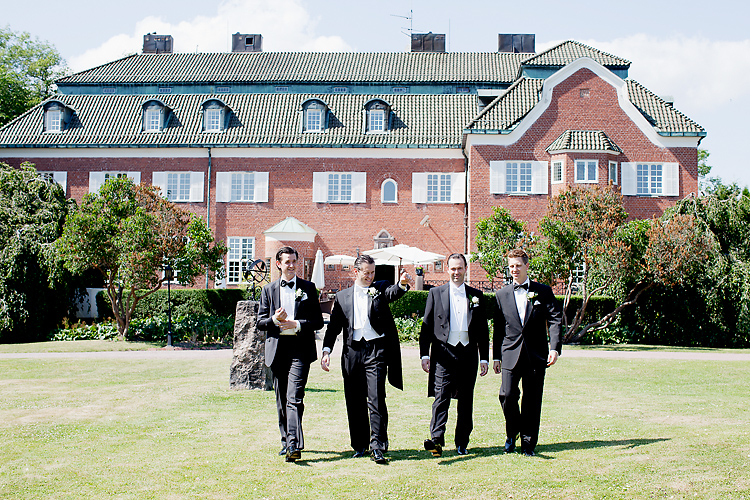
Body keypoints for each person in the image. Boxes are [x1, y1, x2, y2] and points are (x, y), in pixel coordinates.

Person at [321, 254, 410, 464]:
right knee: (354, 401)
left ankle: (377, 445)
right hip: (352, 352)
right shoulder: (342, 297)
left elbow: (392, 292)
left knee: (376, 398)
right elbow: (333, 328)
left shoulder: (379, 288)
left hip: (376, 350)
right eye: (366, 272)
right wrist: (326, 351)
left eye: (372, 272)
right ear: (356, 272)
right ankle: (359, 445)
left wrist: (402, 284)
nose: (370, 276)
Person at [493, 248, 562, 456]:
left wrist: (555, 348)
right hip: (509, 353)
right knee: (506, 395)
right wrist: (495, 356)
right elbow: (498, 328)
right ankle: (512, 432)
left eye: (518, 265)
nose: (514, 269)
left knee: (532, 400)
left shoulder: (543, 291)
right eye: (511, 266)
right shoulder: (501, 294)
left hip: (536, 354)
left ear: (527, 266)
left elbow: (556, 319)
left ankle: (528, 443)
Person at [257, 246, 324, 463]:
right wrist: (275, 320)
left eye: (294, 261)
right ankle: (287, 440)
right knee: (282, 398)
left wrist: (297, 324)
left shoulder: (308, 288)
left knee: (294, 396)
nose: (292, 265)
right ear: (278, 264)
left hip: (300, 349)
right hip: (277, 350)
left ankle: (294, 443)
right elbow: (260, 323)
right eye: (287, 262)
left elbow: (318, 321)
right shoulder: (268, 290)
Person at [420, 253, 489, 457]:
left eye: (459, 268)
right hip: (443, 353)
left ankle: (462, 442)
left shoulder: (476, 296)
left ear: (465, 269)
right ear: (447, 270)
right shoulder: (435, 293)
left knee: (466, 399)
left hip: (468, 354)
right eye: (452, 268)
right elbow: (426, 328)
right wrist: (425, 355)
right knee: (441, 396)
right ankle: (437, 441)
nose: (456, 272)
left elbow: (483, 330)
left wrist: (484, 357)